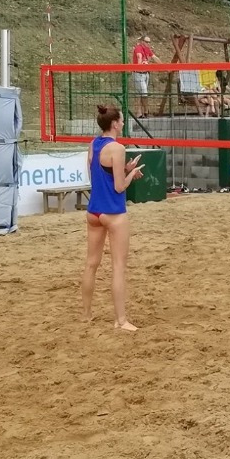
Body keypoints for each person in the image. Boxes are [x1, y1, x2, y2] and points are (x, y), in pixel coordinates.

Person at [80, 104, 144, 332]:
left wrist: (124, 168)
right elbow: (118, 187)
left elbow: (97, 177)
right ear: (115, 123)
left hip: (94, 211)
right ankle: (121, 320)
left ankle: (86, 315)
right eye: (122, 120)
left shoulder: (94, 144)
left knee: (91, 264)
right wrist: (131, 174)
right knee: (118, 267)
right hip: (113, 211)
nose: (124, 123)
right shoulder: (117, 148)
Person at [132, 34, 156, 117]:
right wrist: (139, 66)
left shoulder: (147, 49)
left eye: (149, 42)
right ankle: (146, 111)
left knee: (140, 93)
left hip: (146, 74)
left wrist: (164, 66)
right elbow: (139, 56)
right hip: (139, 74)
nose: (148, 43)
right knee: (144, 93)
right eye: (146, 42)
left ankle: (140, 112)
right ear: (142, 41)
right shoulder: (138, 48)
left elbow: (154, 57)